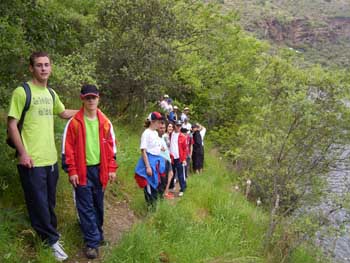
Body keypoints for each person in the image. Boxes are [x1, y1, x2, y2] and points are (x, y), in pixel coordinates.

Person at [7, 51, 77, 261]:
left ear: (51, 68)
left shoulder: (51, 94)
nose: (43, 68)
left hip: (51, 159)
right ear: (31, 68)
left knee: (48, 202)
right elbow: (11, 124)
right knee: (37, 203)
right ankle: (51, 241)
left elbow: (63, 113)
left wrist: (88, 109)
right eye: (39, 65)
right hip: (31, 160)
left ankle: (50, 236)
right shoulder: (23, 92)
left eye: (47, 65)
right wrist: (23, 153)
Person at [62, 84, 118, 259]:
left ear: (98, 98)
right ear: (82, 99)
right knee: (85, 207)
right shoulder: (74, 123)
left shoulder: (106, 123)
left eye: (94, 97)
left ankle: (98, 233)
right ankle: (92, 243)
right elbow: (67, 149)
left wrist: (111, 168)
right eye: (88, 97)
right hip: (81, 171)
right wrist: (72, 171)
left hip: (100, 171)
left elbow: (111, 148)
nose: (91, 100)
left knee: (98, 205)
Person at [134, 112, 166, 208]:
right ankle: (150, 210)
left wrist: (161, 148)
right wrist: (148, 167)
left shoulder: (155, 133)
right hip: (149, 162)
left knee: (156, 187)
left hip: (156, 163)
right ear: (153, 122)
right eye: (158, 122)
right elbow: (143, 151)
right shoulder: (146, 133)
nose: (160, 124)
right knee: (150, 188)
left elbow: (155, 146)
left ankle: (155, 210)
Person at [169, 120, 187, 196]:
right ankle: (171, 186)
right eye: (177, 125)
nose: (178, 127)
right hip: (171, 158)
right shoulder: (170, 134)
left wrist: (184, 159)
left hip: (179, 158)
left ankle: (182, 188)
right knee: (171, 173)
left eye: (180, 125)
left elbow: (185, 149)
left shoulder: (183, 136)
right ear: (174, 126)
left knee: (180, 174)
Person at [158, 121, 175, 199]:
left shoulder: (167, 135)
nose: (170, 128)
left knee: (170, 174)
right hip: (164, 158)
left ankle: (166, 192)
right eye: (169, 127)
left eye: (171, 127)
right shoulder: (164, 136)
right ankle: (164, 192)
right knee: (166, 176)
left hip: (167, 157)